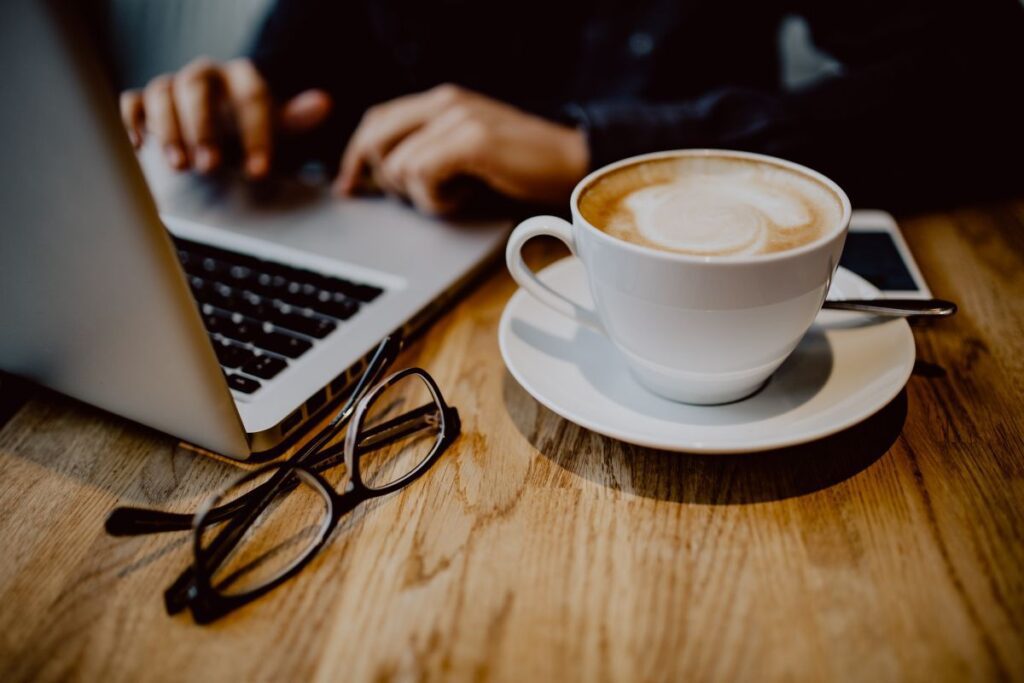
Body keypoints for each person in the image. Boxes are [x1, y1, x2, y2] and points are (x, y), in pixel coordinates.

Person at [120, 0, 1024, 215]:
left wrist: (597, 147)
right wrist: (244, 103)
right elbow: (308, 56)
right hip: (394, 251)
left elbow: (984, 86)